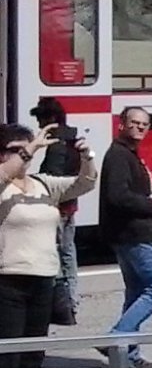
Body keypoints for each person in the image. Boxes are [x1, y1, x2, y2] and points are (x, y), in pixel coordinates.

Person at [0, 121, 96, 368]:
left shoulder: (42, 184)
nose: (25, 157)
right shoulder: (3, 185)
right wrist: (29, 149)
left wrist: (86, 156)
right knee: (6, 356)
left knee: (33, 353)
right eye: (15, 151)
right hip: (7, 279)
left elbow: (84, 184)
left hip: (43, 278)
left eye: (27, 151)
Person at [100, 107, 152, 368]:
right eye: (135, 123)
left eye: (144, 124)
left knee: (136, 293)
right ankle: (116, 337)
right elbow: (118, 197)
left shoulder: (125, 154)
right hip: (136, 234)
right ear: (122, 125)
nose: (140, 128)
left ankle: (128, 356)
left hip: (126, 234)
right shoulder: (119, 155)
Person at [28, 99, 80, 326]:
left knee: (58, 255)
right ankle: (71, 302)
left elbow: (52, 177)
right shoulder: (72, 139)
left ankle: (64, 305)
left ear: (50, 119)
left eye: (40, 119)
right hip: (69, 205)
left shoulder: (57, 146)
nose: (39, 125)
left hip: (58, 207)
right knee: (68, 253)